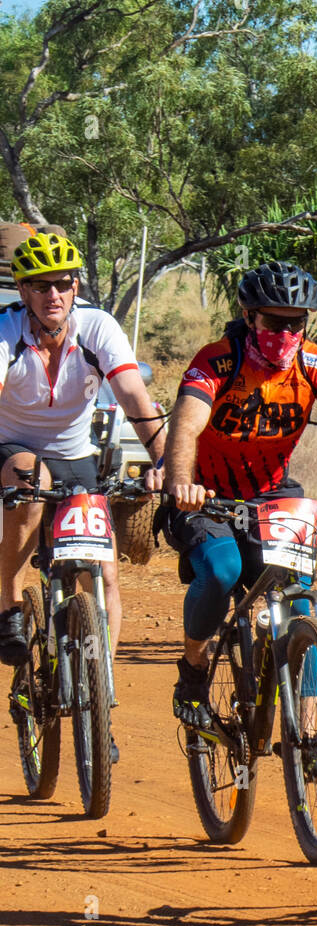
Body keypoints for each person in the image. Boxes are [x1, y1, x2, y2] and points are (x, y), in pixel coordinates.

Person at [163, 258, 317, 733]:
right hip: (205, 495)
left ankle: (308, 731)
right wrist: (180, 484)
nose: (286, 333)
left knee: (300, 601)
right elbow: (186, 424)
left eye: (296, 324)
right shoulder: (217, 359)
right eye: (274, 322)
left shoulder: (316, 364)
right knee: (224, 569)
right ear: (250, 317)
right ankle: (192, 669)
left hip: (272, 493)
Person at [0, 232, 166, 757]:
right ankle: (8, 600)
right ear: (23, 291)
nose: (55, 294)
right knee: (32, 482)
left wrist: (168, 460)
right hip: (13, 447)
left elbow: (134, 395)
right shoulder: (5, 330)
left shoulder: (97, 327)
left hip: (76, 454)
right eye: (42, 286)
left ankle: (100, 695)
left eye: (65, 284)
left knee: (105, 571)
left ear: (77, 287)